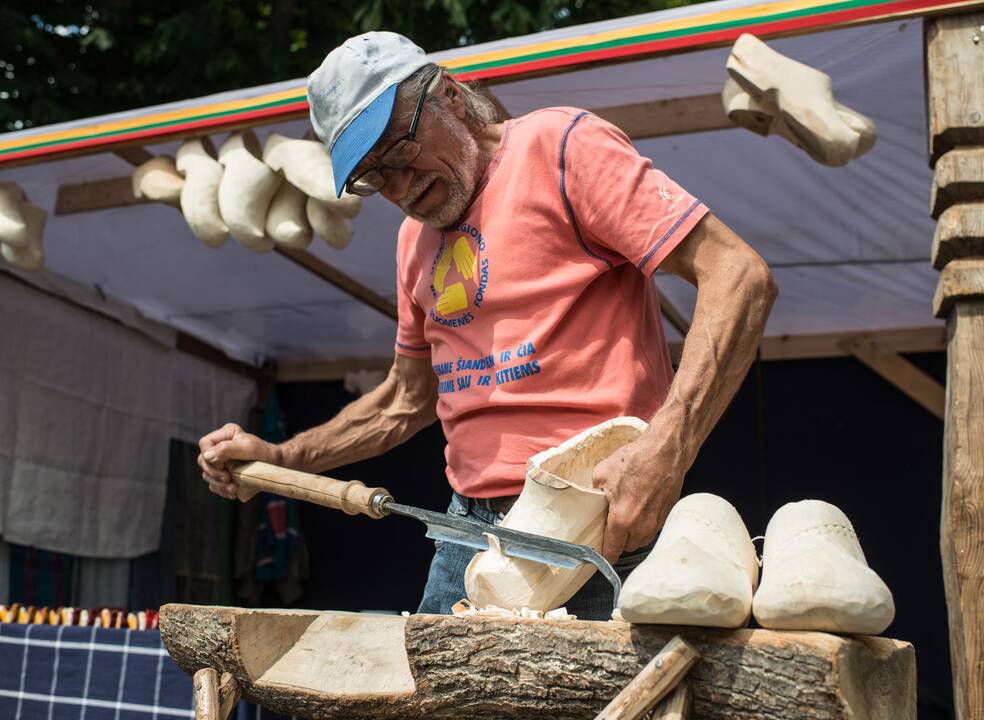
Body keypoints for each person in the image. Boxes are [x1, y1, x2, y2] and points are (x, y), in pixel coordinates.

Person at [197, 31, 777, 619]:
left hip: (597, 517)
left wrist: (665, 451)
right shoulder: (411, 242)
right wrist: (279, 456)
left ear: (448, 94)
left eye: (398, 150)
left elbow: (738, 275)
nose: (400, 188)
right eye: (374, 176)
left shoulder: (561, 148)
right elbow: (404, 399)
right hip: (466, 532)